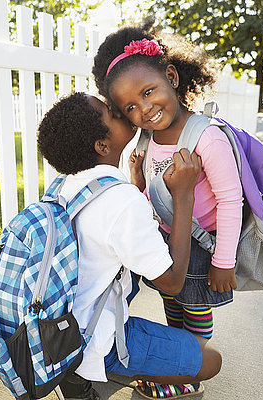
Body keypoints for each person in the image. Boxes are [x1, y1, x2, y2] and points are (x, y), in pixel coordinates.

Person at [91, 22, 243, 397]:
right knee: (173, 304)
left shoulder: (206, 136)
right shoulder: (147, 137)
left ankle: (190, 373)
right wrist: (139, 183)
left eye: (148, 92)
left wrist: (224, 261)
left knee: (195, 310)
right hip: (168, 240)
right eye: (131, 106)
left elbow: (229, 200)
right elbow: (155, 198)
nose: (145, 109)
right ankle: (178, 359)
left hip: (202, 247)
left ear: (172, 77)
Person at [37, 92, 221, 400]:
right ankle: (97, 366)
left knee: (130, 274)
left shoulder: (64, 184)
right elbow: (173, 282)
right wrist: (183, 195)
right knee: (211, 360)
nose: (120, 110)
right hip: (91, 338)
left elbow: (113, 231)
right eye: (110, 113)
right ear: (103, 146)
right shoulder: (120, 201)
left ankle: (74, 370)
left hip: (58, 324)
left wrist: (137, 185)